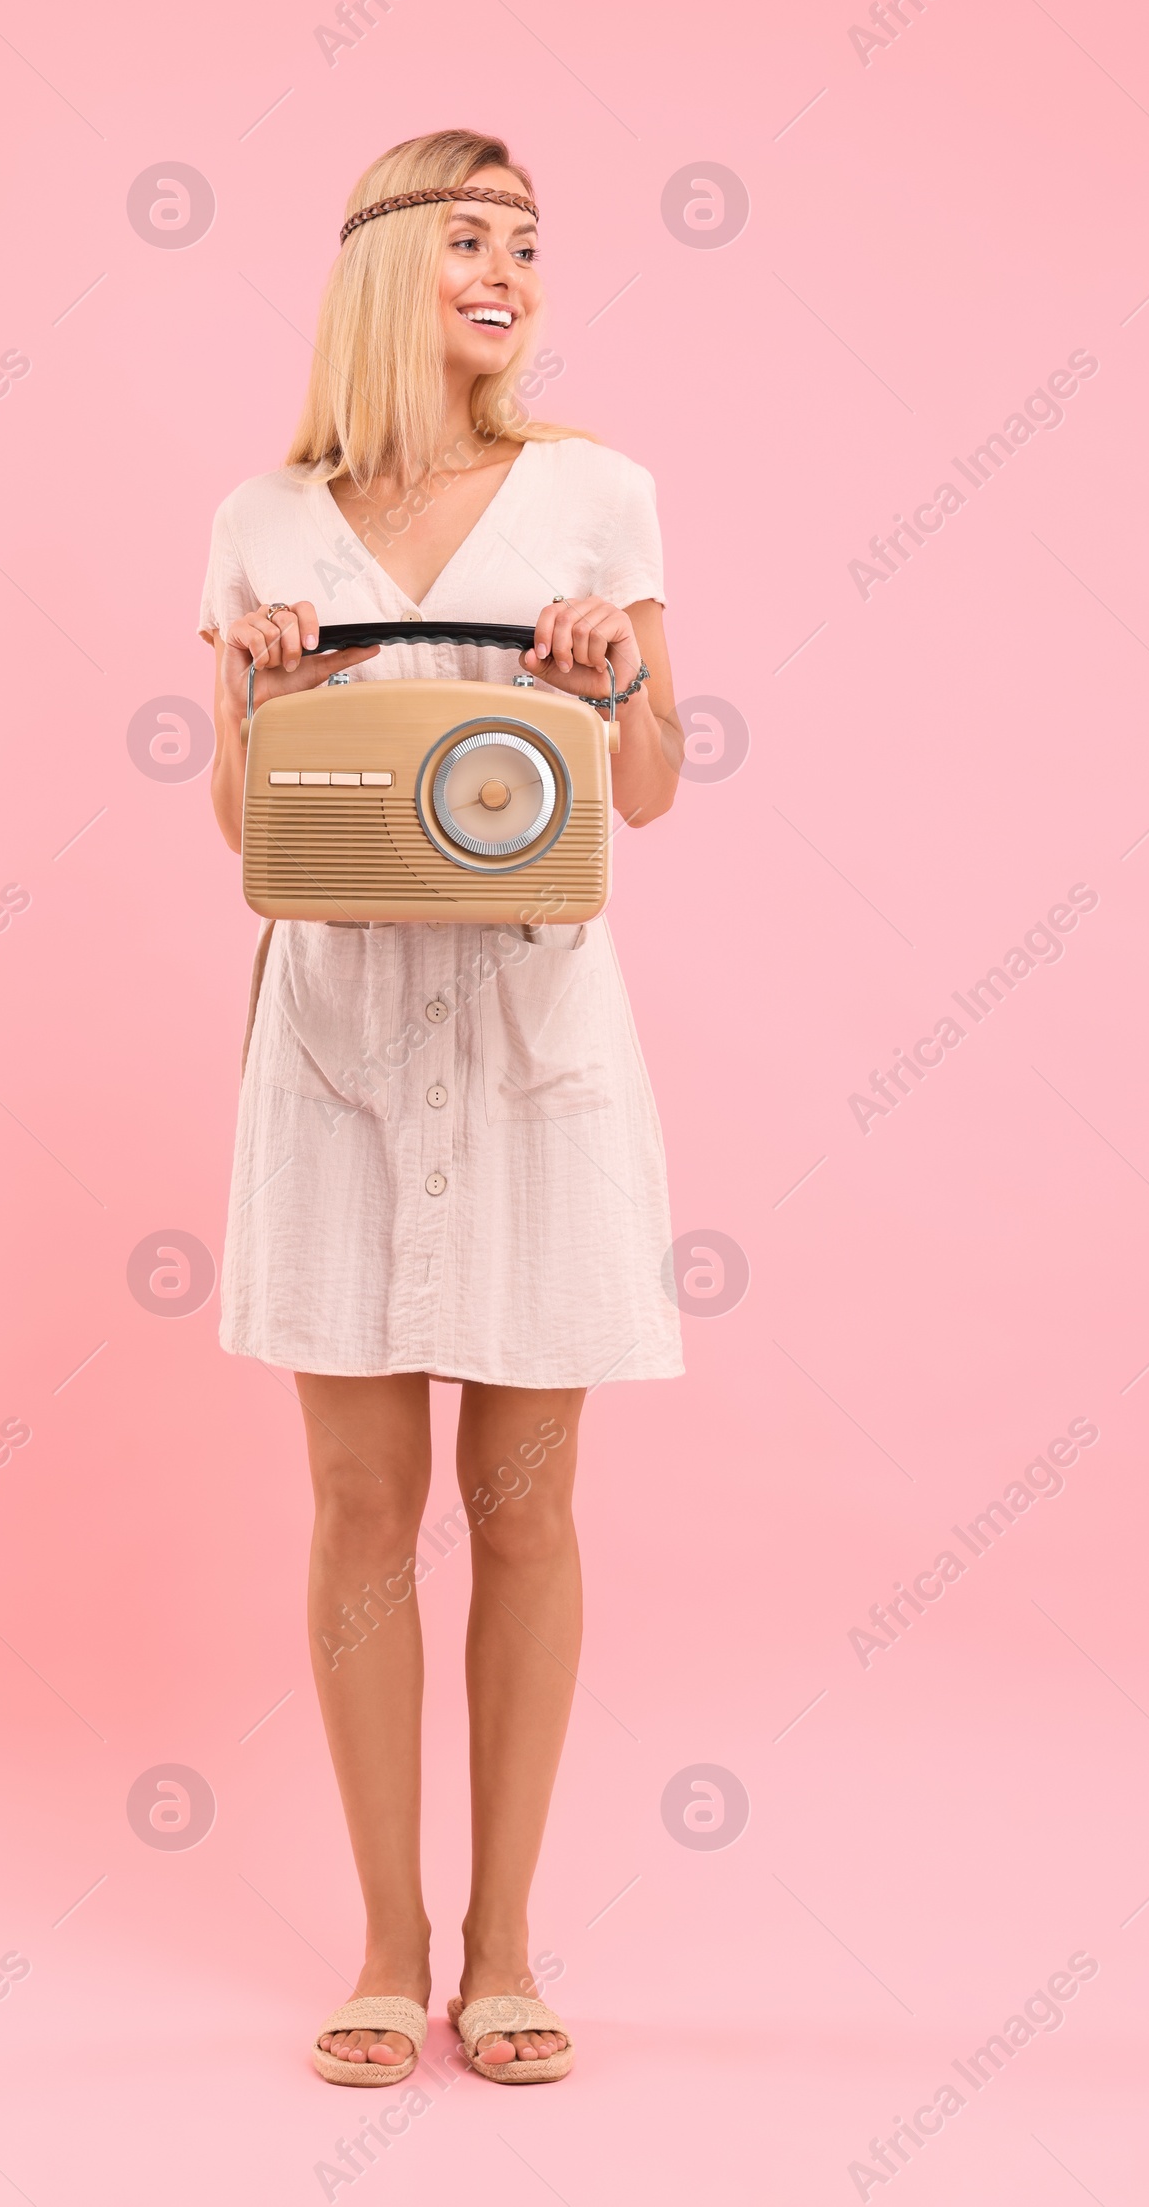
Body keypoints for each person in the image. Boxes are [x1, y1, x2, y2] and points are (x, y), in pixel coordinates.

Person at [199, 130, 684, 2086]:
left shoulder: (593, 497)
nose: (507, 273)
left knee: (525, 1504)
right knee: (351, 1510)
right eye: (469, 239)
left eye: (529, 246)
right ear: (382, 268)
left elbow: (645, 789)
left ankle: (503, 1941)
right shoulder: (259, 519)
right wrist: (245, 700)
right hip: (330, 1048)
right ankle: (383, 1942)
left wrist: (610, 680)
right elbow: (240, 829)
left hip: (530, 1040)